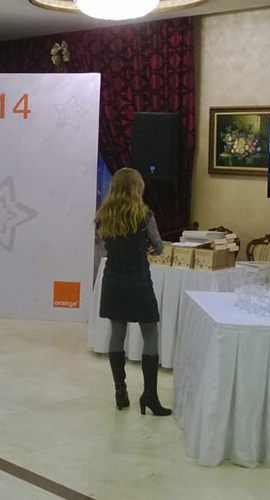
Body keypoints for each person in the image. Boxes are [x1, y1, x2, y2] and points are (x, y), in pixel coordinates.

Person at [94, 168, 170, 416]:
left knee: (117, 332)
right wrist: (147, 247)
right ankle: (150, 395)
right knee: (151, 334)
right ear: (137, 187)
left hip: (113, 280)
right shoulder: (145, 215)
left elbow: (104, 247)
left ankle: (120, 391)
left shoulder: (104, 216)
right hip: (138, 281)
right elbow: (158, 247)